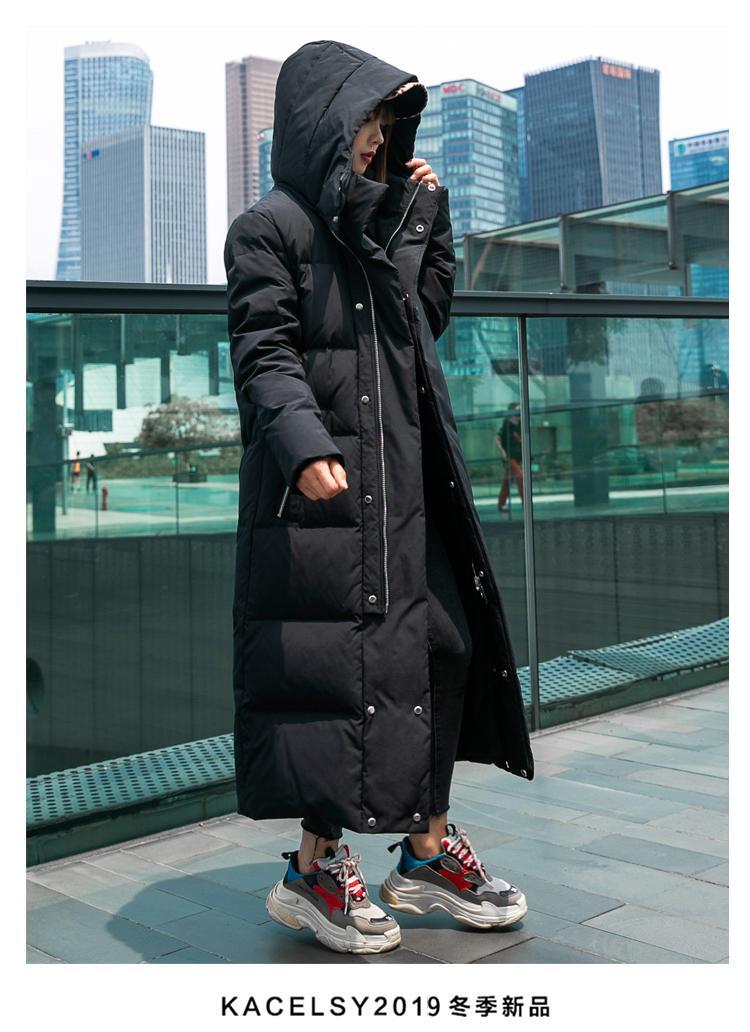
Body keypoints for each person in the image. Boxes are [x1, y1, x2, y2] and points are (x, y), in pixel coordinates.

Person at [224, 40, 534, 956]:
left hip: (404, 487)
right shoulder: (269, 228)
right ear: (319, 123)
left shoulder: (382, 217)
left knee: (441, 650)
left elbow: (423, 319)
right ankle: (314, 869)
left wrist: (430, 219)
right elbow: (264, 352)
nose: (373, 138)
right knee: (339, 674)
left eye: (383, 123)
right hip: (321, 498)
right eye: (361, 120)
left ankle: (426, 852)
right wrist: (304, 445)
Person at [495, 402, 524, 511]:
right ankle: (525, 503)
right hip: (510, 457)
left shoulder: (521, 424)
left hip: (518, 457)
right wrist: (502, 452)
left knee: (508, 481)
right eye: (517, 411)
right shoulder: (506, 425)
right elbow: (497, 439)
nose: (519, 413)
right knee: (520, 477)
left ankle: (501, 504)